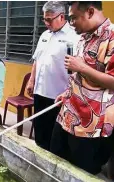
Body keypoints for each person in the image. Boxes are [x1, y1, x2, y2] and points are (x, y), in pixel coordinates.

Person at [50, 1, 114, 175]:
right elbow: (80, 77)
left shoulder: (112, 37)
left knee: (80, 173)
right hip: (68, 115)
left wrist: (82, 67)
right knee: (55, 161)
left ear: (90, 12)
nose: (71, 23)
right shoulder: (84, 37)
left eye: (74, 18)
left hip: (90, 126)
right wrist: (67, 93)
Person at [26, 1, 80, 151]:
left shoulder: (74, 37)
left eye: (50, 19)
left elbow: (76, 70)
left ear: (62, 16)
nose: (46, 23)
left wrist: (69, 92)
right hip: (40, 92)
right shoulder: (45, 35)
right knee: (40, 130)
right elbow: (37, 59)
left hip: (58, 96)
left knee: (54, 137)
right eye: (45, 19)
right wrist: (31, 80)